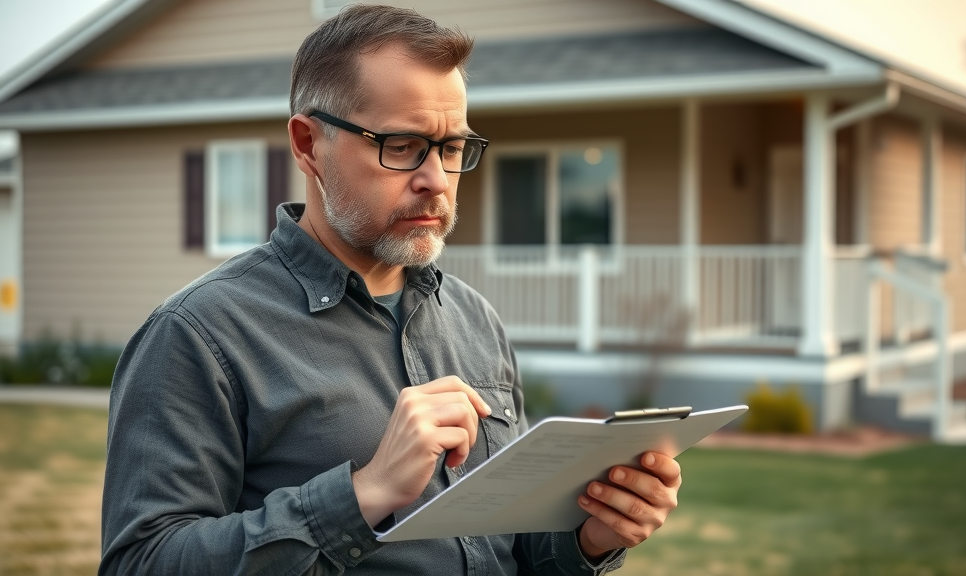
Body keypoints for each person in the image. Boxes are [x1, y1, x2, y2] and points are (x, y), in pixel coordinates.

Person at [100, 5, 681, 575]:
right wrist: (362, 494)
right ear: (307, 145)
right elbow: (142, 561)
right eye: (400, 146)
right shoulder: (199, 335)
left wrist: (591, 536)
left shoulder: (474, 319)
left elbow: (512, 551)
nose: (435, 181)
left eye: (452, 149)